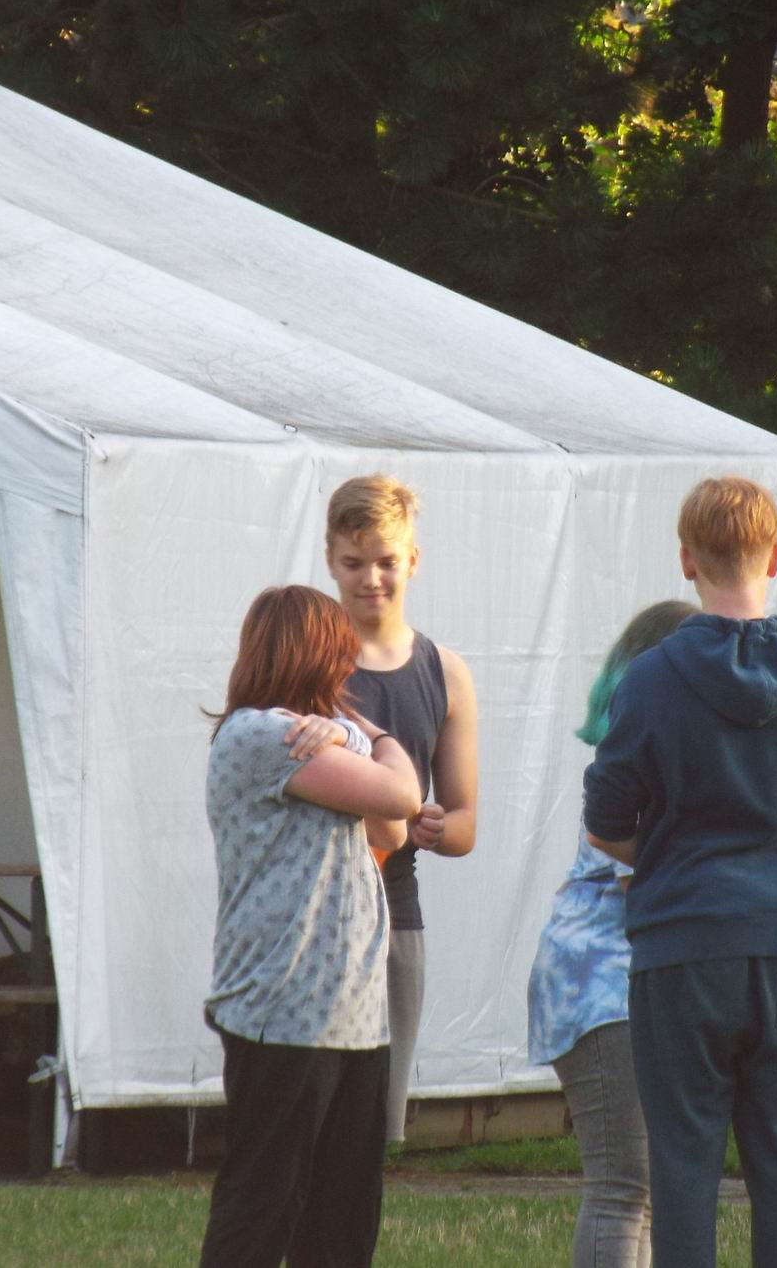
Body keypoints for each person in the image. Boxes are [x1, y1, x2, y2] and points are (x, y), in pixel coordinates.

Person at [584, 477, 777, 1268]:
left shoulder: (649, 679)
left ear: (687, 560)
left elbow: (604, 822)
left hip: (681, 948)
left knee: (682, 1169)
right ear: (774, 557)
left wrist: (667, 857)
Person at [198, 585, 422, 1268]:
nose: (348, 669)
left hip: (350, 1013)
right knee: (263, 1207)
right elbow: (403, 794)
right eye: (340, 654)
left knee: (341, 1221)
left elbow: (392, 830)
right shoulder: (261, 735)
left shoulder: (315, 739)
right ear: (315, 655)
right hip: (286, 1008)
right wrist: (375, 735)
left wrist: (350, 732)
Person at [528, 598, 698, 1268]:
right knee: (623, 1189)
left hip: (605, 983)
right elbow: (643, 889)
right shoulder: (641, 754)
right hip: (600, 987)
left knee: (638, 1192)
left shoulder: (640, 743)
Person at [323, 475, 478, 1144]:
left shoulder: (445, 671)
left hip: (396, 911)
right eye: (353, 562)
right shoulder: (307, 665)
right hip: (316, 913)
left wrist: (438, 825)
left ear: (412, 560)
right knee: (313, 1119)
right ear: (331, 561)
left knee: (376, 1125)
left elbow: (465, 824)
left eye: (386, 561)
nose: (371, 579)